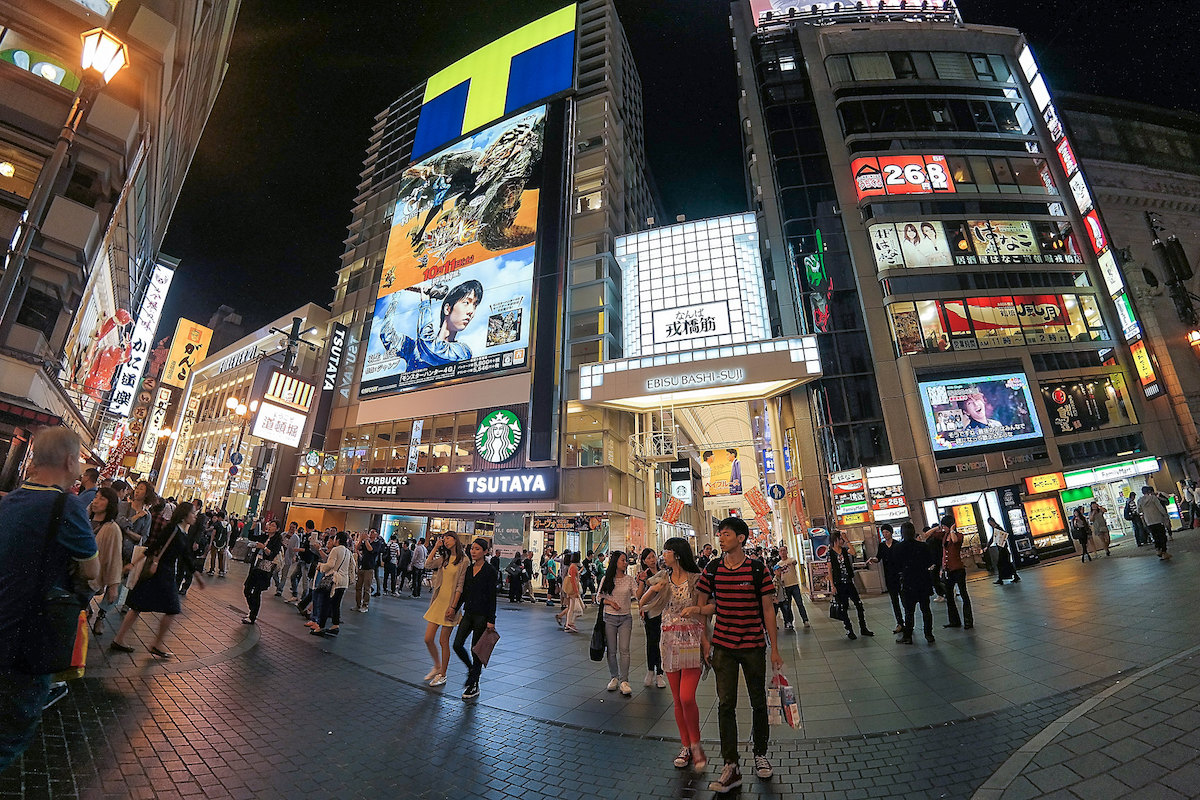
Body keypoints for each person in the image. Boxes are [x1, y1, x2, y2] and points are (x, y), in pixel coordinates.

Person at [0, 428, 97, 773]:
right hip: (27, 638)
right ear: (70, 460)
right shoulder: (66, 505)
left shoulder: (9, 500)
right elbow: (92, 570)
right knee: (11, 735)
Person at [696, 517, 782, 793]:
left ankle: (760, 753)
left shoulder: (758, 569)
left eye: (726, 534)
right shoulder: (712, 568)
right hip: (723, 647)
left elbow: (768, 609)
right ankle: (730, 764)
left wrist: (775, 649)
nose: (721, 538)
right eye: (720, 534)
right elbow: (702, 604)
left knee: (758, 702)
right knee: (725, 705)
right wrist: (705, 642)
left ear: (741, 538)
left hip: (754, 645)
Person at [640, 537, 708, 771]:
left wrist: (706, 643)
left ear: (677, 554)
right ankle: (686, 746)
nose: (663, 555)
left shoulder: (696, 579)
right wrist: (654, 589)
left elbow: (704, 613)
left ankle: (696, 743)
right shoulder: (662, 578)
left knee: (687, 697)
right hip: (668, 641)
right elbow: (642, 602)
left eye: (666, 551)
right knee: (678, 700)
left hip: (691, 639)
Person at [111, 502, 205, 658]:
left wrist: (196, 575)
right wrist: (133, 564)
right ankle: (154, 644)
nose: (195, 516)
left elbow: (186, 557)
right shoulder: (172, 528)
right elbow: (154, 546)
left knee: (138, 605)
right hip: (160, 572)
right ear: (185, 514)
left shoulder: (182, 532)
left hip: (164, 573)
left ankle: (121, 639)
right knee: (171, 608)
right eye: (193, 513)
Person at [451, 537, 499, 700]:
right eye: (472, 548)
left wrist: (491, 619)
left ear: (485, 552)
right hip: (468, 613)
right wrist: (454, 609)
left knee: (475, 649)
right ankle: (472, 671)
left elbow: (492, 597)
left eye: (478, 549)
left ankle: (474, 684)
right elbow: (464, 592)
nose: (473, 551)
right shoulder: (469, 569)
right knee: (457, 644)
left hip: (482, 616)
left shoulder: (490, 571)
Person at [422, 532, 467, 687]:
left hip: (451, 605)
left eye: (448, 538)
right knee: (428, 638)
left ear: (455, 539)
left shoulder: (464, 560)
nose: (445, 541)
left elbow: (460, 586)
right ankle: (437, 665)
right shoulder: (445, 559)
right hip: (438, 602)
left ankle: (443, 674)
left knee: (443, 641)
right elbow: (427, 564)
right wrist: (435, 547)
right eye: (444, 539)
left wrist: (453, 607)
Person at [598, 550, 636, 696]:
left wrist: (643, 583)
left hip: (626, 618)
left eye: (626, 560)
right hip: (610, 617)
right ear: (615, 562)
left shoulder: (629, 579)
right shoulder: (606, 579)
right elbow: (598, 598)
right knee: (612, 650)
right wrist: (610, 602)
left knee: (624, 649)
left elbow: (637, 595)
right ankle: (614, 677)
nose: (625, 563)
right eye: (623, 560)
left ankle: (624, 680)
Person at [87, 487, 124, 636]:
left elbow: (114, 558)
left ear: (110, 504)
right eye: (96, 497)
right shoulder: (85, 521)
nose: (96, 501)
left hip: (91, 579)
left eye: (102, 499)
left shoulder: (112, 528)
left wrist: (113, 586)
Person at [894, 521, 935, 644]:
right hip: (923, 581)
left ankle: (908, 636)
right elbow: (930, 562)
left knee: (909, 611)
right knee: (926, 610)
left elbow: (896, 566)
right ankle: (929, 634)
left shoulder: (898, 548)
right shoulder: (923, 546)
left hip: (908, 582)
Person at [829, 530, 873, 640]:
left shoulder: (844, 550)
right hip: (839, 584)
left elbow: (854, 552)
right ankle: (849, 630)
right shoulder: (830, 553)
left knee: (859, 605)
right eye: (841, 539)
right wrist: (832, 586)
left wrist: (848, 540)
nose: (842, 541)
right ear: (836, 540)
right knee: (843, 608)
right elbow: (829, 570)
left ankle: (863, 628)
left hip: (849, 582)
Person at [311, 530, 352, 636]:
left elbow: (330, 564)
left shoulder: (335, 550)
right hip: (344, 581)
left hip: (334, 580)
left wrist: (321, 567)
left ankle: (321, 627)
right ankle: (335, 625)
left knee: (325, 604)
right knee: (336, 604)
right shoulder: (348, 551)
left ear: (337, 540)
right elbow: (352, 565)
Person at [635, 547, 666, 688]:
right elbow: (639, 595)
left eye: (653, 556)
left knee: (662, 642)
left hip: (664, 611)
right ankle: (650, 671)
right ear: (644, 561)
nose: (652, 560)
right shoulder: (644, 575)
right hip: (649, 612)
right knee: (651, 641)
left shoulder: (664, 573)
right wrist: (642, 581)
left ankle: (660, 673)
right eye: (648, 558)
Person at [242, 520, 283, 624]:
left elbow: (271, 555)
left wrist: (264, 547)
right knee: (247, 589)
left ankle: (252, 616)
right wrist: (253, 525)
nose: (269, 527)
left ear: (277, 529)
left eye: (273, 526)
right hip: (255, 566)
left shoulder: (277, 540)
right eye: (269, 525)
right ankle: (252, 610)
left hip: (265, 569)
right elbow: (252, 537)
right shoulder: (264, 536)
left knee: (257, 592)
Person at [938, 514, 973, 629]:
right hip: (948, 570)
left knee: (963, 594)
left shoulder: (958, 535)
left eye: (945, 526)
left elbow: (954, 540)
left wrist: (952, 529)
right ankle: (954, 620)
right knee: (949, 595)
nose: (944, 528)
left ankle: (968, 620)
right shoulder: (944, 536)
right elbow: (928, 535)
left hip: (958, 569)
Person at [869, 525, 904, 633]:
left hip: (899, 575)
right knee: (894, 600)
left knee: (904, 599)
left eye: (886, 532)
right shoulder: (882, 546)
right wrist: (872, 559)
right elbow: (878, 558)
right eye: (883, 533)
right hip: (889, 576)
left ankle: (908, 621)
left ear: (891, 532)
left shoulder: (898, 544)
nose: (885, 535)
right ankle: (899, 622)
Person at [771, 544, 809, 631]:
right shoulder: (778, 564)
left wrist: (790, 563)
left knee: (799, 603)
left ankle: (805, 620)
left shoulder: (791, 559)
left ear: (787, 551)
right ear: (779, 553)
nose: (783, 552)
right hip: (785, 587)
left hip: (794, 585)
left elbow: (795, 562)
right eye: (781, 551)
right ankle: (790, 622)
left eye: (784, 550)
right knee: (787, 606)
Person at [1137, 486, 1172, 560]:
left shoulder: (1140, 500)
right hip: (1158, 520)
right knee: (1162, 536)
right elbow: (1160, 508)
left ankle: (1158, 549)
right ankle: (1164, 552)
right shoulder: (1153, 498)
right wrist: (1165, 515)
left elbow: (1138, 511)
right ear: (1149, 491)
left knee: (1155, 536)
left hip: (1148, 521)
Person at [985, 517, 1020, 585]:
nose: (989, 524)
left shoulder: (997, 529)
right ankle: (1015, 576)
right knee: (1007, 563)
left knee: (1000, 564)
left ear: (992, 521)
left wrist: (988, 546)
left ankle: (1001, 579)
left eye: (989, 523)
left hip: (1002, 549)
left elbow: (993, 538)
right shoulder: (997, 528)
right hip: (1003, 549)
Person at [557, 553, 583, 632]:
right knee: (571, 608)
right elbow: (573, 580)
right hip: (573, 590)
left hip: (571, 590)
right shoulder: (573, 567)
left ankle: (569, 623)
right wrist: (576, 591)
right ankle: (569, 623)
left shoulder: (572, 566)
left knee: (571, 607)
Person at [356, 528, 380, 612]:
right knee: (358, 587)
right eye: (370, 532)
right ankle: (358, 604)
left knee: (367, 588)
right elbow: (357, 548)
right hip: (362, 566)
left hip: (370, 568)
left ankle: (365, 605)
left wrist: (366, 540)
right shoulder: (365, 542)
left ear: (376, 534)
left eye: (373, 532)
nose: (371, 533)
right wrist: (360, 540)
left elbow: (370, 549)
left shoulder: (377, 543)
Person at [275, 522, 301, 597]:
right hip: (279, 556)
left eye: (293, 527)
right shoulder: (283, 534)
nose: (291, 528)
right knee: (275, 572)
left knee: (284, 574)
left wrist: (294, 556)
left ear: (296, 529)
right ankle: (278, 584)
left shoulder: (296, 538)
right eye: (291, 527)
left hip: (288, 557)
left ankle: (280, 590)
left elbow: (296, 548)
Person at [206, 511, 229, 577]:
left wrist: (211, 543)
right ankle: (221, 570)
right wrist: (227, 544)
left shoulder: (217, 524)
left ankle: (212, 570)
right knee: (221, 557)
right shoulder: (228, 525)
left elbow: (213, 533)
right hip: (223, 544)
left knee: (213, 556)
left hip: (215, 542)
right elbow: (228, 535)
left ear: (219, 517)